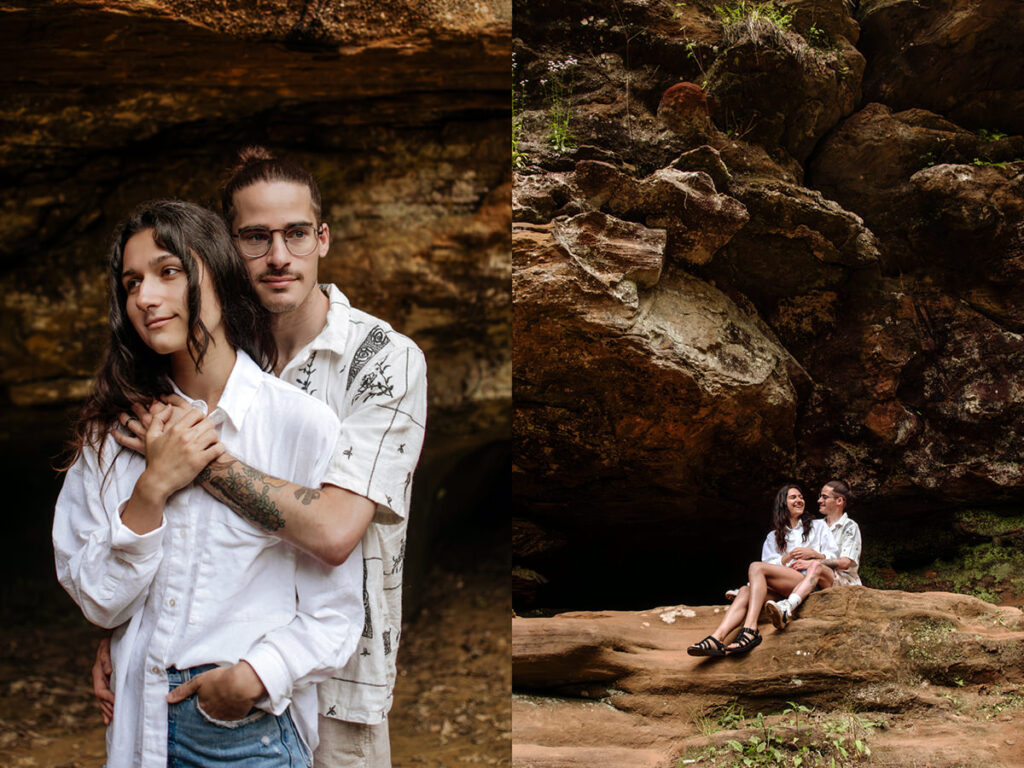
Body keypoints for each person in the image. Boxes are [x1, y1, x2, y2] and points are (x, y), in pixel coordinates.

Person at [96, 147, 428, 768]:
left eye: (296, 234)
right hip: (204, 674)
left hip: (342, 679)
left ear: (322, 238)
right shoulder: (206, 351)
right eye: (255, 237)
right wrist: (128, 638)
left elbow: (332, 531)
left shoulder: (383, 359)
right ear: (224, 248)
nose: (279, 256)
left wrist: (190, 456)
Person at [54, 199, 364, 766]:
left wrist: (251, 679)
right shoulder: (115, 429)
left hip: (244, 734)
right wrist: (152, 490)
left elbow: (336, 612)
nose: (146, 297)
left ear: (220, 277)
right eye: (132, 282)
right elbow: (97, 602)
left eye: (169, 273)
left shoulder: (298, 424)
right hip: (137, 721)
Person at [687, 484, 837, 656]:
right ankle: (717, 638)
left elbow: (833, 557)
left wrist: (813, 555)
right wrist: (785, 558)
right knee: (745, 591)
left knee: (755, 567)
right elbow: (768, 565)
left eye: (801, 497)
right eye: (793, 497)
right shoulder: (773, 537)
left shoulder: (819, 526)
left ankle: (750, 629)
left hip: (808, 582)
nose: (799, 500)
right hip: (783, 587)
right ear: (783, 504)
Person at [763, 479, 863, 628]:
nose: (819, 501)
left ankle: (788, 607)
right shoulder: (816, 525)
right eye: (820, 496)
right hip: (813, 578)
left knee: (815, 566)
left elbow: (845, 563)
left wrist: (813, 561)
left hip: (842, 581)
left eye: (824, 497)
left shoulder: (849, 526)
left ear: (839, 501)